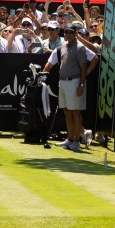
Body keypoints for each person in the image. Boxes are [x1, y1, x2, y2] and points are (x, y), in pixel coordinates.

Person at [43, 23, 99, 152]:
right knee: (67, 111)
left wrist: (81, 83)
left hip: (75, 82)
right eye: (66, 32)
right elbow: (51, 64)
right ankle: (70, 138)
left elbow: (84, 67)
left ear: (75, 34)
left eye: (71, 32)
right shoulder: (62, 46)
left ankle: (76, 141)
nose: (68, 34)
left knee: (75, 112)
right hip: (63, 82)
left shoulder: (80, 47)